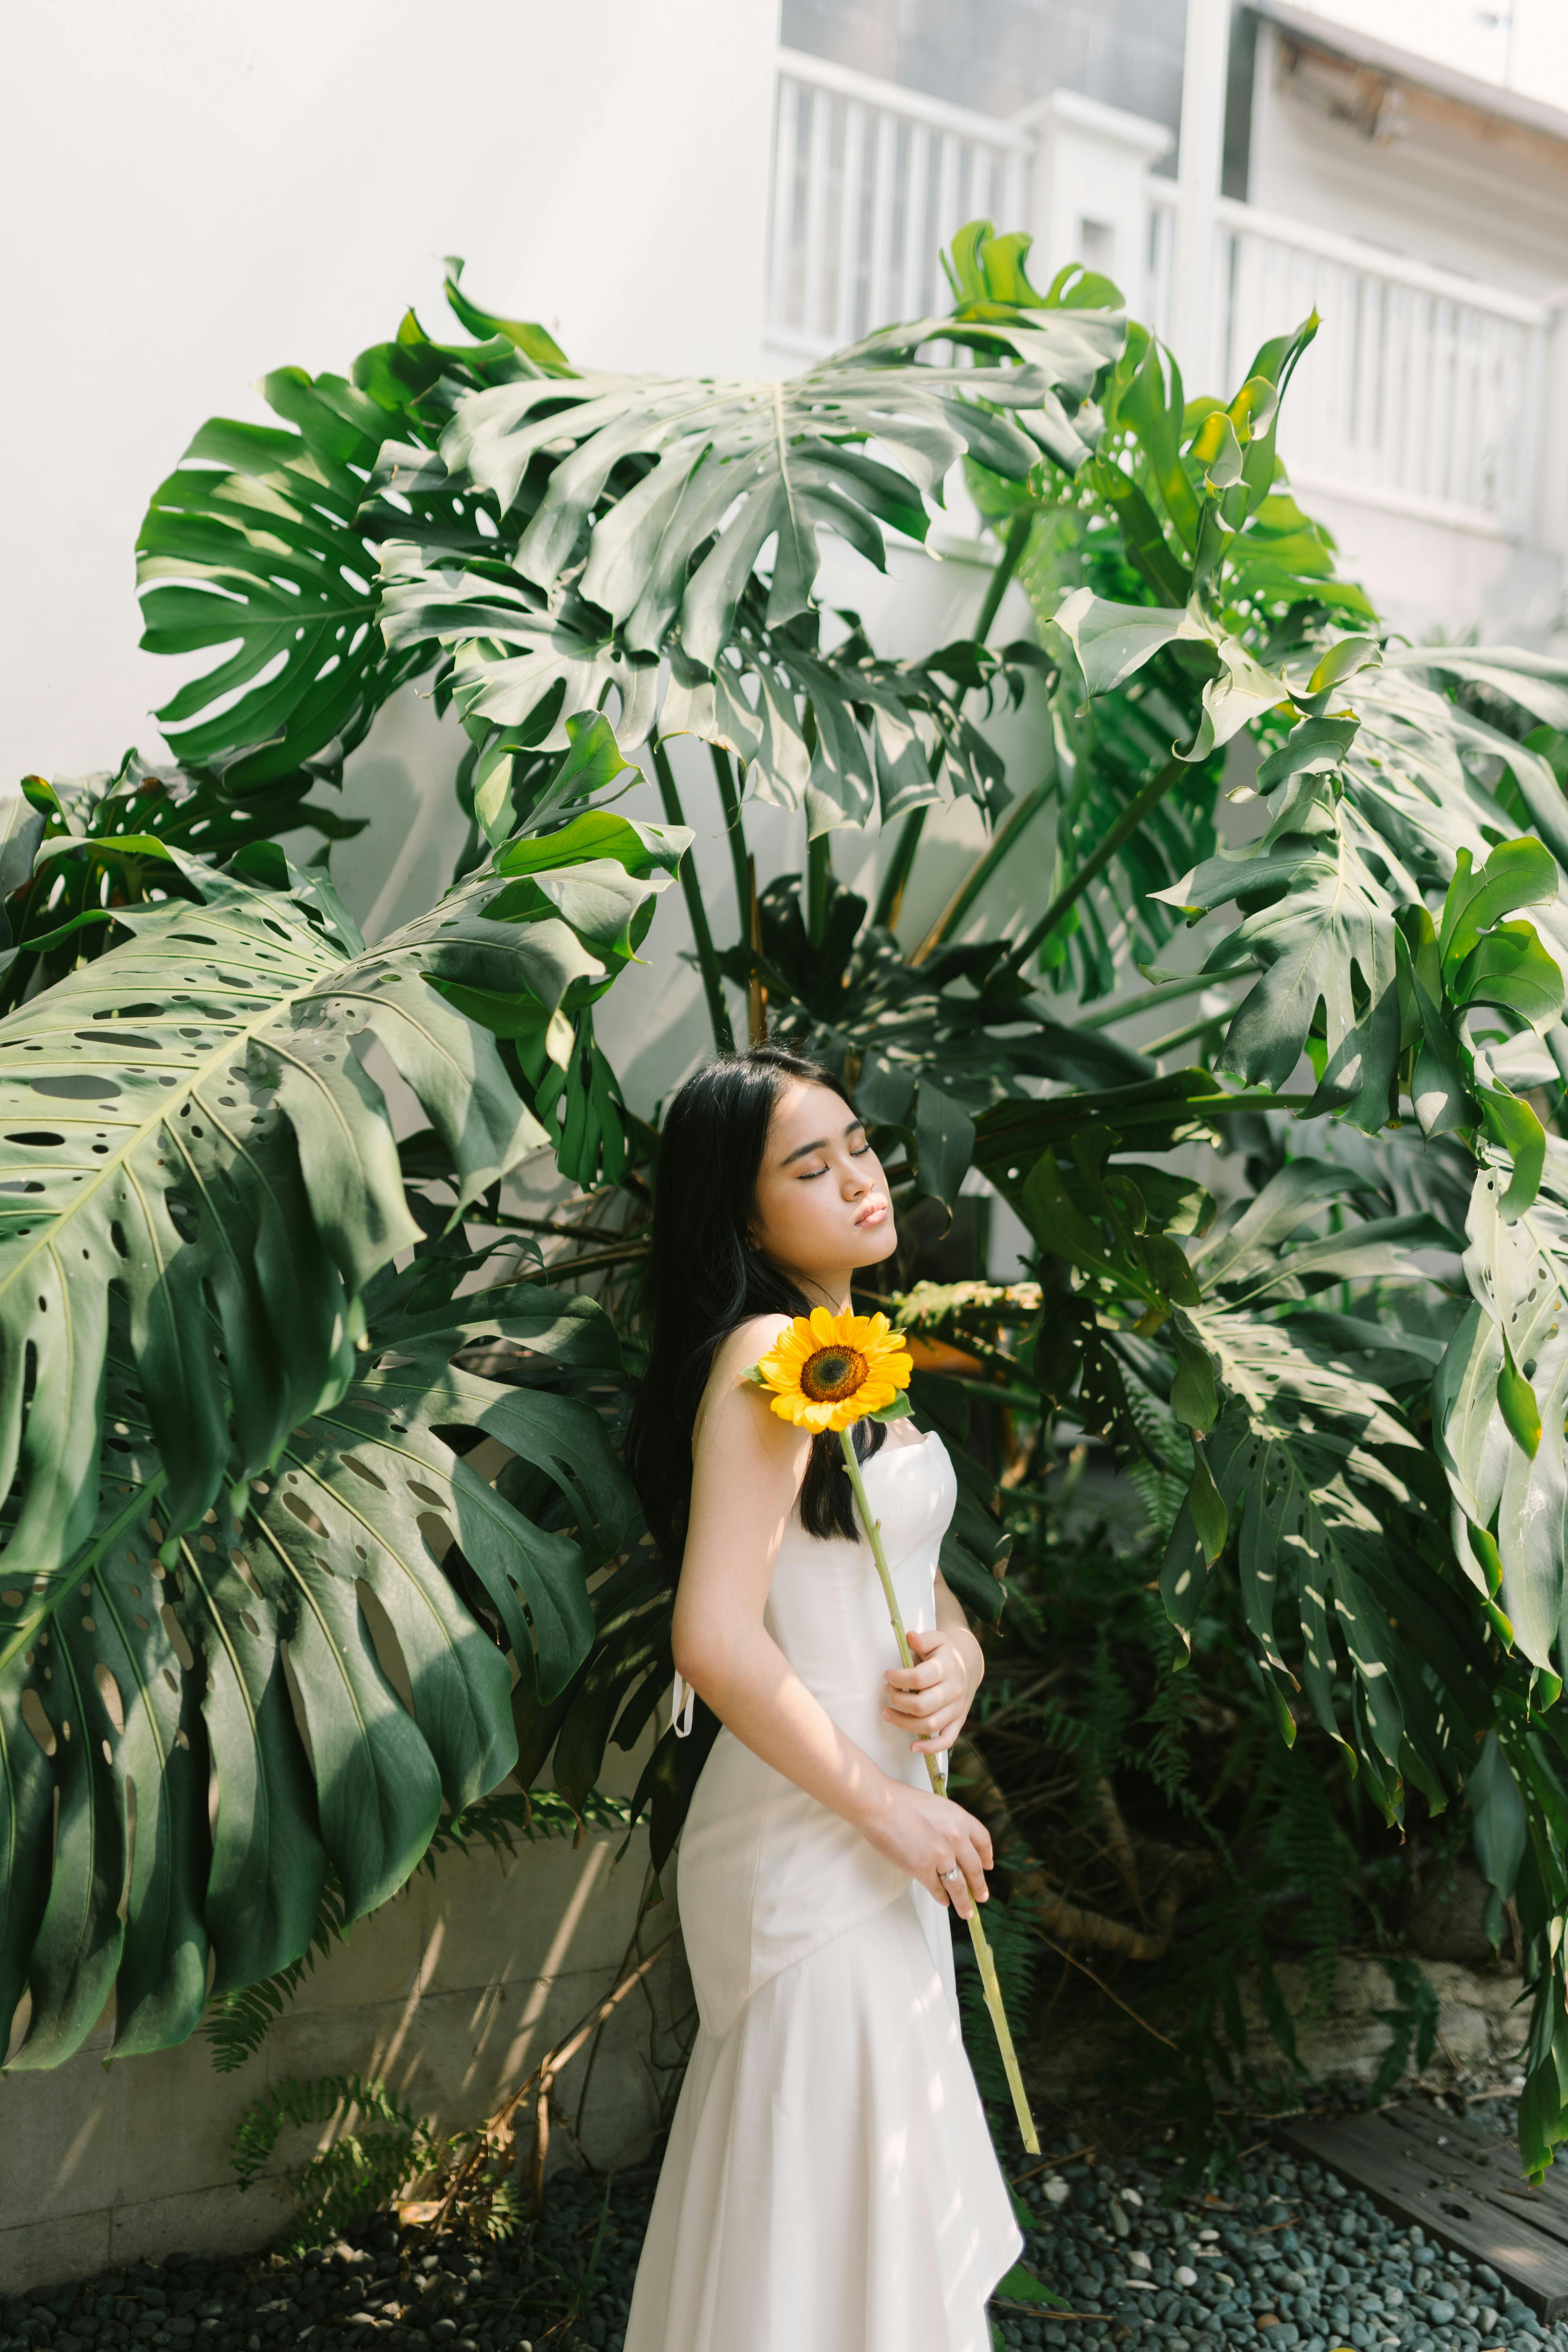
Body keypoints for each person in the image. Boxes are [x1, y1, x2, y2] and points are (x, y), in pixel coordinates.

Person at [622, 1044, 1023, 2352]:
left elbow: (899, 1579)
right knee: (825, 2195)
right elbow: (717, 1638)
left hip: (881, 1817)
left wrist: (955, 1655)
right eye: (811, 1164)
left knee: (862, 2201)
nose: (858, 1177)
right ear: (741, 1215)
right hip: (817, 1827)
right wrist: (886, 1818)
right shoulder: (770, 1354)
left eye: (858, 1145)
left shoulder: (854, 1352)